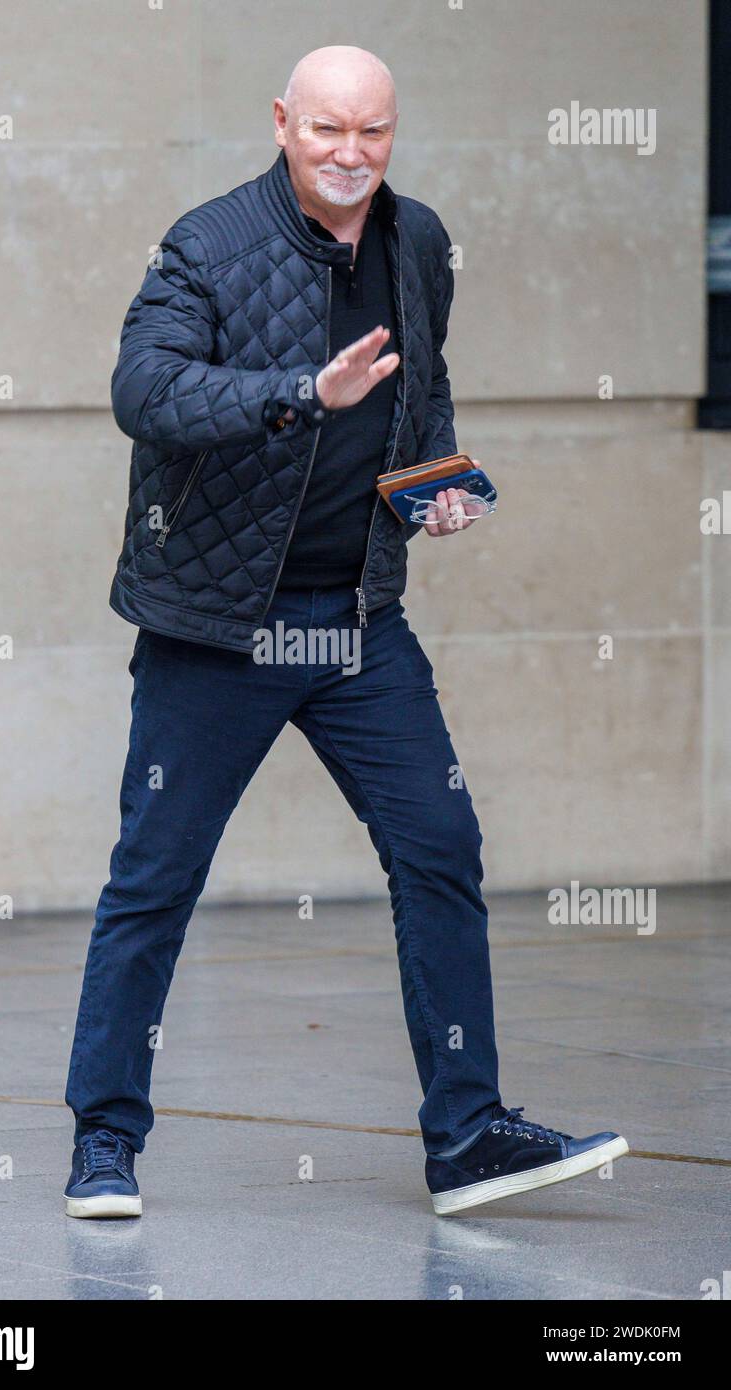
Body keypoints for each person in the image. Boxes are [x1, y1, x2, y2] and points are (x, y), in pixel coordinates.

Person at [63, 45, 628, 1219]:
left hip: (356, 625)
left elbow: (420, 389)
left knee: (439, 846)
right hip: (217, 628)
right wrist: (295, 392)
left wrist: (435, 486)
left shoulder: (415, 238)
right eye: (327, 130)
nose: (349, 154)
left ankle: (467, 1136)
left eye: (371, 132)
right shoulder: (206, 244)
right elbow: (143, 389)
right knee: (154, 881)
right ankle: (104, 1142)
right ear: (281, 123)